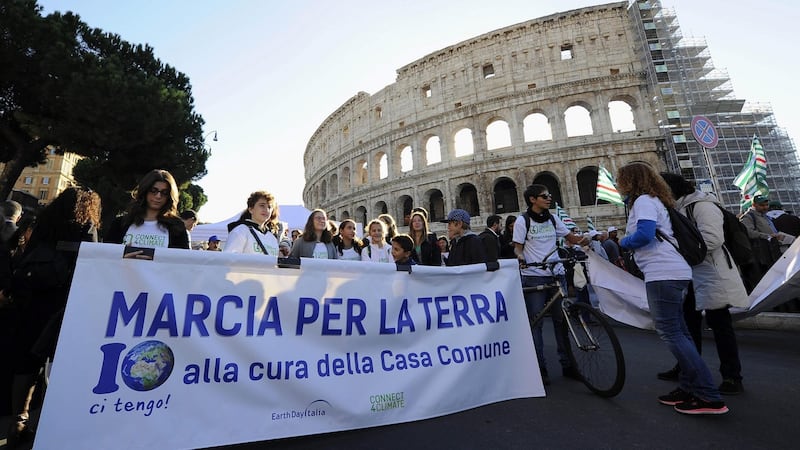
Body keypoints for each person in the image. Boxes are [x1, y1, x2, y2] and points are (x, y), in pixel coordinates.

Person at [616, 162, 728, 415]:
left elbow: (644, 235)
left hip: (662, 273)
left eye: (620, 179)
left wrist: (623, 241)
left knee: (671, 332)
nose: (618, 184)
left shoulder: (643, 201)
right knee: (681, 332)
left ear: (630, 180)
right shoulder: (656, 200)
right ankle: (689, 387)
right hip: (674, 271)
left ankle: (708, 395)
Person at [2, 188, 101, 446]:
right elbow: (92, 262)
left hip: (31, 300)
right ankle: (53, 424)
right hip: (63, 302)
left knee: (26, 363)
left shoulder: (44, 221)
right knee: (60, 365)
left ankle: (18, 422)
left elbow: (26, 255)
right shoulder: (86, 225)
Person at [658, 172, 749, 395]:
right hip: (689, 274)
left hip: (711, 274)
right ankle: (688, 368)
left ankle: (732, 376)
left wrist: (678, 252)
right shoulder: (678, 208)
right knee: (687, 326)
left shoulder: (702, 205)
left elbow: (713, 239)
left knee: (720, 325)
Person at [512, 184, 586, 385]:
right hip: (534, 275)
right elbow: (517, 249)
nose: (549, 198)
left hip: (557, 274)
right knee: (536, 324)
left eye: (549, 195)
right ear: (532, 200)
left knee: (561, 323)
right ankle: (540, 368)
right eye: (544, 196)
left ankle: (568, 365)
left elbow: (571, 238)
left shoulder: (553, 218)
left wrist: (592, 237)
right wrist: (521, 258)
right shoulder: (522, 221)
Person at [105, 169, 190, 253]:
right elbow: (104, 256)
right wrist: (123, 256)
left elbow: (184, 262)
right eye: (153, 190)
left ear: (170, 196)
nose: (158, 196)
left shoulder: (177, 227)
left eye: (164, 192)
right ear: (145, 191)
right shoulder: (120, 223)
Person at [739, 194, 782, 289]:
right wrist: (767, 236)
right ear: (754, 205)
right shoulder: (748, 216)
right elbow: (748, 232)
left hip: (771, 253)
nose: (765, 207)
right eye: (762, 205)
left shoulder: (765, 216)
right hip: (761, 256)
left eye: (766, 205)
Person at [224, 191, 281, 255]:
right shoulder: (241, 231)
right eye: (262, 205)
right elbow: (228, 259)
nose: (266, 210)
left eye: (269, 207)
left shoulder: (272, 238)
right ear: (251, 209)